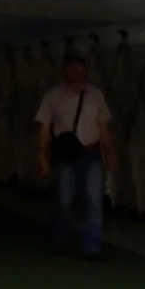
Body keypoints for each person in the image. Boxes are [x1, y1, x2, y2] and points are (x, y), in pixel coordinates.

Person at [35, 55, 115, 260]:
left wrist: (110, 153)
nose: (79, 74)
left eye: (82, 70)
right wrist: (42, 158)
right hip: (66, 155)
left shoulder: (96, 95)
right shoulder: (53, 96)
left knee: (94, 199)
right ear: (65, 72)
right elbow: (44, 130)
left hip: (91, 152)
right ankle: (59, 239)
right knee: (64, 197)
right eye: (74, 70)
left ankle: (92, 246)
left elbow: (103, 127)